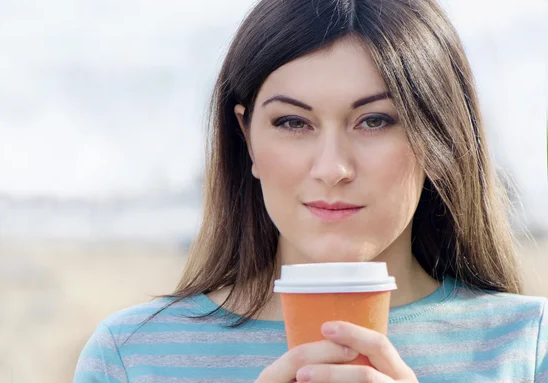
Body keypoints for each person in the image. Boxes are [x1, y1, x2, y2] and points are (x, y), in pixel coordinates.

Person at [73, 0, 547, 382]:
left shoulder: (528, 348)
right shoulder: (132, 357)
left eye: (375, 120)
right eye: (293, 122)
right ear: (247, 139)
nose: (332, 168)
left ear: (437, 137)